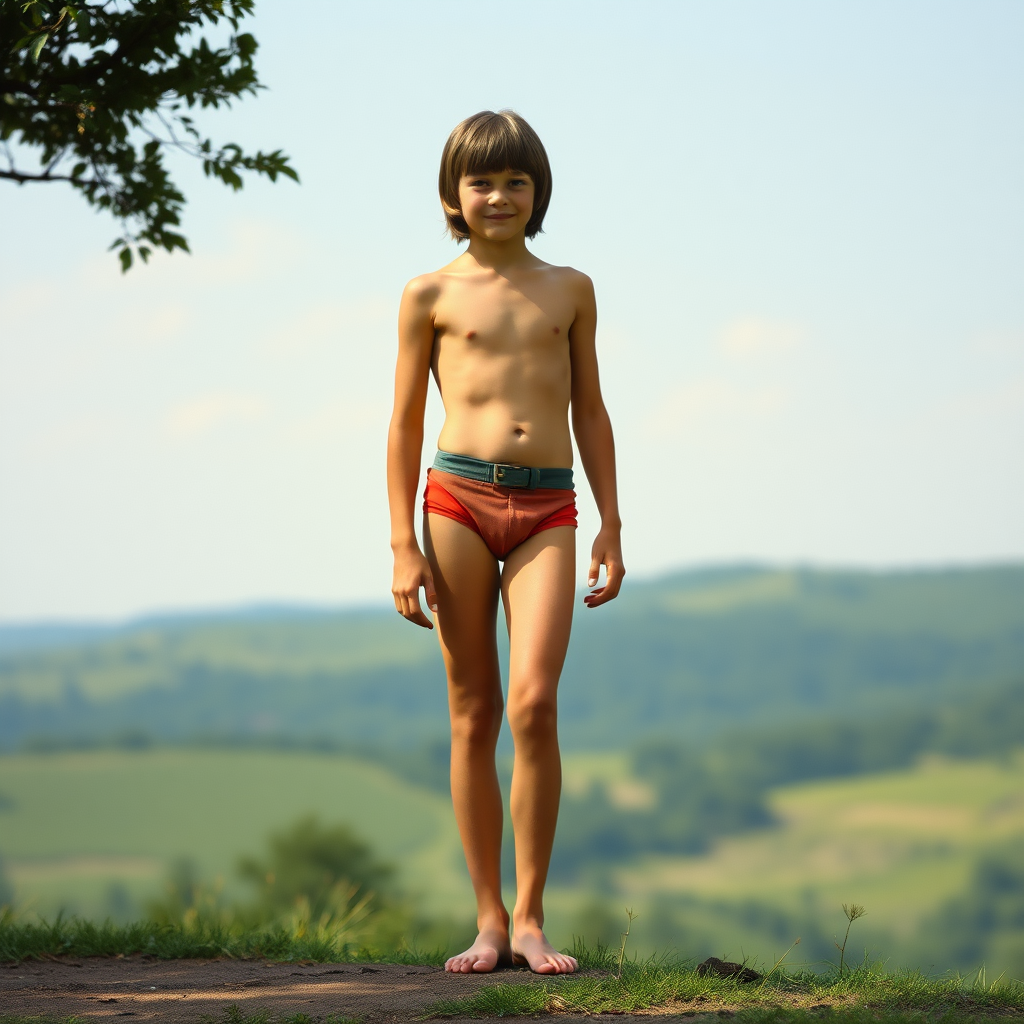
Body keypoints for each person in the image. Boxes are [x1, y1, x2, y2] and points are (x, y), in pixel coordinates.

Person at [386, 109, 624, 975]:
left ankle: (530, 917)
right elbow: (405, 419)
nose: (500, 194)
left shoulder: (571, 288)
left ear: (539, 192)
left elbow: (589, 409)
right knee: (473, 709)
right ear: (454, 196)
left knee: (534, 704)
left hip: (549, 510)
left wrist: (612, 519)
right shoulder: (428, 294)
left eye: (517, 180)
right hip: (452, 503)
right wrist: (400, 542)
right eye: (482, 181)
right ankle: (487, 918)